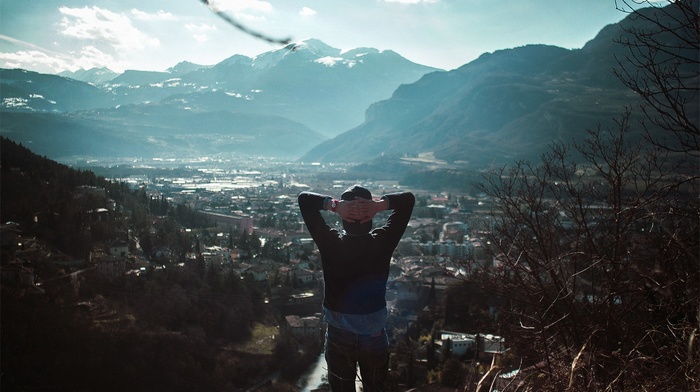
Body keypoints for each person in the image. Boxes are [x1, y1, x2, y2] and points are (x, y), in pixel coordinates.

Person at [298, 185, 415, 392]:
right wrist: (380, 205)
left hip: (339, 333)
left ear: (343, 217)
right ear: (371, 217)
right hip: (374, 334)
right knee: (374, 388)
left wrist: (333, 205)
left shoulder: (330, 243)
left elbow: (304, 200)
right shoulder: (383, 241)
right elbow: (408, 200)